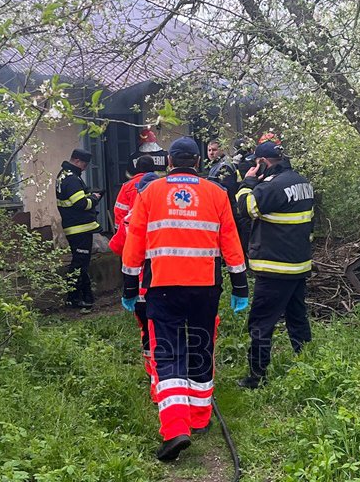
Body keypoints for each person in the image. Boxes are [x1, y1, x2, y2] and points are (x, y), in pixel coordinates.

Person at [121, 137, 249, 462]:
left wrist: (128, 288)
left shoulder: (150, 193)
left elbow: (134, 241)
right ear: (196, 162)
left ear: (169, 162)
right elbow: (230, 241)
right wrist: (240, 287)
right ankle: (200, 418)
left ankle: (176, 428)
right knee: (202, 345)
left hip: (162, 288)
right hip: (206, 288)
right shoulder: (216, 193)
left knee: (168, 352)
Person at [235, 140, 315, 389]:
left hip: (274, 268)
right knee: (297, 319)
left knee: (261, 322)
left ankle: (256, 376)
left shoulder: (273, 187)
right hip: (298, 265)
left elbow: (245, 208)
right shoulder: (302, 182)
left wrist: (247, 183)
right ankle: (308, 365)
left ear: (262, 162)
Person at [109, 171, 160, 402]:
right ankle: (161, 381)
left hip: (137, 290)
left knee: (147, 334)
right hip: (162, 287)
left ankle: (152, 374)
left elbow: (117, 248)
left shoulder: (130, 219)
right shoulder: (166, 219)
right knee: (164, 334)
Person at [55, 149, 103, 310]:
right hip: (79, 228)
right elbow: (81, 204)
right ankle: (75, 298)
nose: (85, 168)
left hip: (75, 227)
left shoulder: (64, 175)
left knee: (80, 263)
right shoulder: (72, 179)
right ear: (76, 161)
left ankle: (84, 297)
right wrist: (94, 199)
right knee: (79, 264)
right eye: (84, 164)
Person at [114, 155, 156, 227]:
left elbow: (120, 210)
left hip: (134, 227)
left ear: (136, 168)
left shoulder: (127, 186)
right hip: (156, 227)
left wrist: (120, 229)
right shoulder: (161, 184)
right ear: (153, 168)